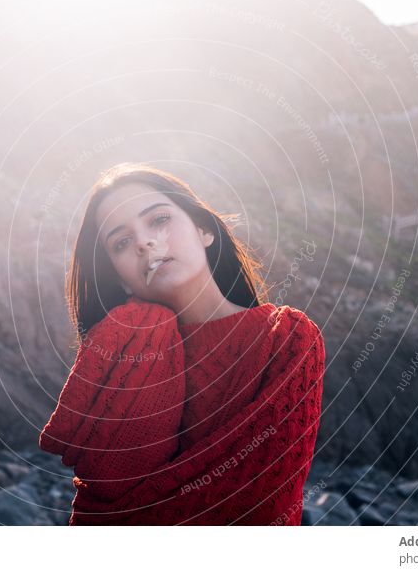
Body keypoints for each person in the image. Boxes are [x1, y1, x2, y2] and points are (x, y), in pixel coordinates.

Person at [39, 162, 325, 525]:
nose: (144, 242)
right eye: (122, 242)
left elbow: (258, 503)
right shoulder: (125, 350)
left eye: (158, 220)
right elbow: (104, 502)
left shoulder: (284, 337)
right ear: (121, 279)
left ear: (203, 229)